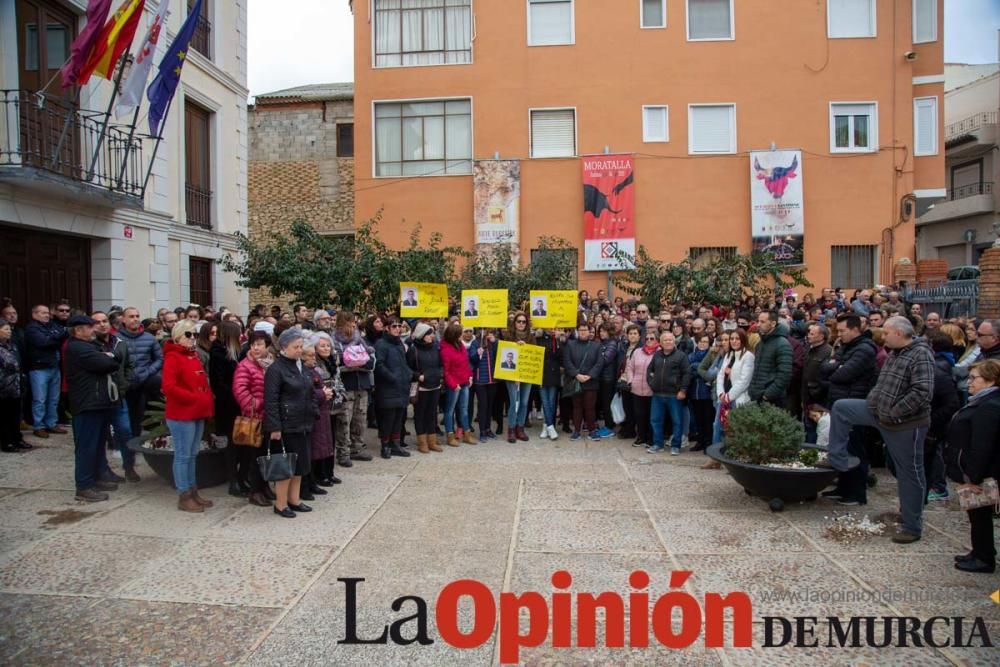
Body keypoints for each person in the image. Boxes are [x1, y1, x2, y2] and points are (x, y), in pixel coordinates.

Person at [825, 316, 934, 544]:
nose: (882, 337)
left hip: (904, 423)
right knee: (842, 408)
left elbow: (922, 392)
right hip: (878, 411)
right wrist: (874, 401)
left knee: (910, 473)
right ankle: (837, 457)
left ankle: (912, 525)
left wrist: (894, 412)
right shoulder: (894, 353)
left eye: (886, 333)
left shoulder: (921, 354)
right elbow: (882, 384)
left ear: (899, 333)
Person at [946, 359, 1000, 574]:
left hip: (980, 474)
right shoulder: (981, 401)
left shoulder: (989, 406)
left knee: (980, 516)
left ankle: (984, 557)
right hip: (972, 469)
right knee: (976, 515)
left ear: (990, 380)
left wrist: (973, 477)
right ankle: (979, 551)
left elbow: (983, 445)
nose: (970, 383)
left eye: (974, 378)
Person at [819, 314, 878, 506]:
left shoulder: (865, 349)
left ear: (854, 329)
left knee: (854, 449)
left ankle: (856, 493)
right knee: (841, 447)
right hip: (839, 402)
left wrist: (836, 367)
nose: (839, 334)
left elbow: (843, 374)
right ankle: (843, 488)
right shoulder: (846, 347)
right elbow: (826, 367)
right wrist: (836, 366)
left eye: (843, 330)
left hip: (854, 404)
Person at [264, 329, 323, 518]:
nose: (299, 350)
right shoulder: (276, 369)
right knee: (286, 466)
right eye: (295, 347)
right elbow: (271, 401)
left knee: (300, 465)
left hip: (303, 421)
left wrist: (313, 410)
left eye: (300, 346)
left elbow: (311, 391)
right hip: (287, 424)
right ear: (283, 348)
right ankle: (280, 504)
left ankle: (294, 499)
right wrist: (274, 427)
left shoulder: (301, 367)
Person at [65, 315, 121, 502]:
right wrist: (109, 358)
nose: (94, 329)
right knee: (86, 446)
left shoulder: (88, 346)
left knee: (97, 444)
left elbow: (111, 360)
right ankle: (84, 486)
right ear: (78, 330)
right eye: (89, 327)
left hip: (97, 402)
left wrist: (109, 357)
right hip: (87, 403)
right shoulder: (78, 348)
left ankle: (96, 477)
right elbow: (107, 363)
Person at [162, 319, 215, 513]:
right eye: (188, 334)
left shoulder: (192, 356)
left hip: (196, 411)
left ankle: (193, 490)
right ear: (178, 337)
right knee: (183, 455)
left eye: (194, 334)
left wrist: (204, 399)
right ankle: (184, 494)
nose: (192, 338)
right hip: (182, 413)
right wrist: (193, 398)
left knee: (192, 455)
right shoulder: (173, 358)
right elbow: (169, 387)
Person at [92, 311, 138, 482]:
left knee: (125, 431)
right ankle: (102, 469)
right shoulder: (90, 345)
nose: (102, 324)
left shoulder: (120, 343)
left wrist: (124, 384)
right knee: (100, 435)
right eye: (97, 322)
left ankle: (129, 466)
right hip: (98, 398)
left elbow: (128, 366)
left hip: (118, 397)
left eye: (104, 321)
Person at [232, 331, 275, 507]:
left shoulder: (271, 364)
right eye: (253, 344)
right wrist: (261, 403)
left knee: (266, 455)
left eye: (260, 344)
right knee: (255, 457)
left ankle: (264, 486)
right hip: (254, 417)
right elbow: (240, 392)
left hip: (269, 417)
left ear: (267, 346)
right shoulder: (245, 366)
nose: (256, 348)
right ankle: (255, 491)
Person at [333, 311, 376, 466]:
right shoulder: (335, 341)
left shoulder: (360, 339)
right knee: (344, 419)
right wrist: (352, 364)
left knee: (360, 418)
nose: (353, 324)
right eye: (350, 322)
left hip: (361, 383)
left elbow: (370, 361)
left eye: (354, 322)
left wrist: (360, 362)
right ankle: (343, 452)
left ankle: (357, 448)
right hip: (346, 385)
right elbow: (336, 364)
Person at [211, 321, 248, 498]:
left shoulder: (235, 352)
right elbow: (219, 383)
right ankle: (233, 480)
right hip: (229, 407)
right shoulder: (219, 352)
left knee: (241, 444)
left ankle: (241, 477)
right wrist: (237, 396)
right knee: (233, 446)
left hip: (237, 404)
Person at [118, 307, 163, 444]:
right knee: (127, 415)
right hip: (125, 382)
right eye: (131, 316)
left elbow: (160, 358)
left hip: (145, 380)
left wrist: (148, 372)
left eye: (137, 316)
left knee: (144, 411)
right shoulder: (116, 338)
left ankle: (144, 440)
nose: (135, 319)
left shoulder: (149, 338)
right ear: (123, 319)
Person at [25, 304, 68, 438]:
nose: (46, 315)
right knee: (40, 399)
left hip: (54, 367)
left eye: (47, 312)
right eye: (43, 313)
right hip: (39, 368)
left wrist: (54, 338)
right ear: (34, 315)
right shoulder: (32, 329)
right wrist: (55, 338)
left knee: (54, 398)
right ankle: (39, 426)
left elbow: (57, 338)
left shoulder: (52, 326)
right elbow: (43, 342)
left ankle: (51, 423)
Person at [925, 332, 960, 501]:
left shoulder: (939, 368)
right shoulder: (943, 363)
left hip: (937, 422)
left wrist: (932, 417)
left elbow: (951, 403)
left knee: (936, 454)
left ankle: (939, 486)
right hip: (936, 419)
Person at [646, 332, 691, 455]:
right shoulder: (657, 355)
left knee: (677, 421)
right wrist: (652, 383)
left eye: (670, 340)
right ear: (660, 343)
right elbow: (649, 370)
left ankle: (676, 446)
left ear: (674, 342)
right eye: (665, 340)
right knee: (655, 420)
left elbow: (687, 374)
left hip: (674, 395)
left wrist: (683, 390)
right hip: (658, 394)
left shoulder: (681, 356)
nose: (668, 342)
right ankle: (657, 444)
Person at [373, 318, 412, 459]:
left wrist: (408, 374)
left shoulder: (399, 343)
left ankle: (395, 444)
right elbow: (379, 365)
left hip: (401, 386)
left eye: (399, 326)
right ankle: (385, 446)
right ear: (387, 328)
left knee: (398, 418)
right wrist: (392, 377)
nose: (397, 328)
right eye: (394, 326)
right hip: (388, 387)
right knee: (388, 419)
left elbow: (404, 363)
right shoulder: (381, 344)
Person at [301, 336, 334, 499]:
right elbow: (304, 392)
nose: (314, 359)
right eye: (311, 356)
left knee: (318, 448)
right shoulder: (303, 372)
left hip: (320, 412)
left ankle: (314, 481)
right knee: (311, 451)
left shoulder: (312, 371)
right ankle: (307, 484)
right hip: (311, 414)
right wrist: (322, 393)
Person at [563, 321, 604, 442]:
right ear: (577, 331)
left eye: (585, 330)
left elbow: (599, 363)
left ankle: (592, 431)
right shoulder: (570, 344)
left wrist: (590, 375)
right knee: (577, 407)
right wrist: (576, 374)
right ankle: (576, 431)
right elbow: (567, 361)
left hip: (591, 381)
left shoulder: (596, 345)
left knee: (590, 407)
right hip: (576, 381)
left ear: (589, 332)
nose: (583, 332)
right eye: (581, 330)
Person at [407, 322, 444, 453]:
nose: (432, 336)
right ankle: (422, 442)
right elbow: (408, 368)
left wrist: (440, 374)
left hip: (435, 385)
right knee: (420, 414)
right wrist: (418, 376)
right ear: (422, 335)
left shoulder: (435, 347)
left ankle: (432, 441)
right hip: (421, 387)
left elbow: (440, 363)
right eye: (429, 334)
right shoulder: (413, 349)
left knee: (432, 414)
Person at [440, 322, 476, 446]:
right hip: (454, 385)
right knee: (450, 411)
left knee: (464, 409)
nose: (463, 335)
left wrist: (470, 376)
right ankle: (450, 435)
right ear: (454, 335)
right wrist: (453, 384)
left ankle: (466, 434)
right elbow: (446, 371)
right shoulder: (445, 349)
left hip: (465, 382)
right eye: (460, 334)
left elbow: (466, 363)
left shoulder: (460, 345)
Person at [748, 311, 792, 408]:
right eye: (758, 321)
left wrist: (767, 395)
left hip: (772, 400)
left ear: (773, 324)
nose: (758, 325)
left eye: (762, 322)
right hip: (756, 395)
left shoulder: (783, 344)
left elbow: (784, 375)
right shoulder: (761, 343)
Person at [503, 313, 534, 442]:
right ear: (514, 322)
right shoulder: (508, 336)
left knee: (524, 402)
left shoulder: (531, 337)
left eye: (523, 322)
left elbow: (534, 355)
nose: (521, 324)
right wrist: (515, 345)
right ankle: (511, 429)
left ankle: (520, 428)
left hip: (527, 373)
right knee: (514, 401)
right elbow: (504, 354)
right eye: (518, 321)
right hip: (512, 374)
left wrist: (526, 346)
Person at [0, 320, 26, 452]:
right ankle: (7, 442)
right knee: (5, 416)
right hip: (3, 387)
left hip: (15, 386)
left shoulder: (12, 346)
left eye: (9, 329)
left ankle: (17, 438)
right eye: (5, 329)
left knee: (16, 414)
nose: (9, 331)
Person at [687, 334, 714, 453]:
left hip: (707, 393)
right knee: (698, 418)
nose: (702, 344)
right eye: (700, 341)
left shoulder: (712, 356)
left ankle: (708, 442)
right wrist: (700, 370)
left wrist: (696, 368)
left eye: (705, 342)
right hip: (694, 392)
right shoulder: (691, 356)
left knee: (707, 419)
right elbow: (689, 371)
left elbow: (710, 373)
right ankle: (700, 440)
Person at [536, 327, 563, 441]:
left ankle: (547, 426)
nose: (551, 329)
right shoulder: (538, 338)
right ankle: (550, 426)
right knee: (545, 401)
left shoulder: (557, 339)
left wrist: (558, 340)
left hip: (553, 374)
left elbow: (560, 356)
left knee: (552, 402)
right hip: (540, 374)